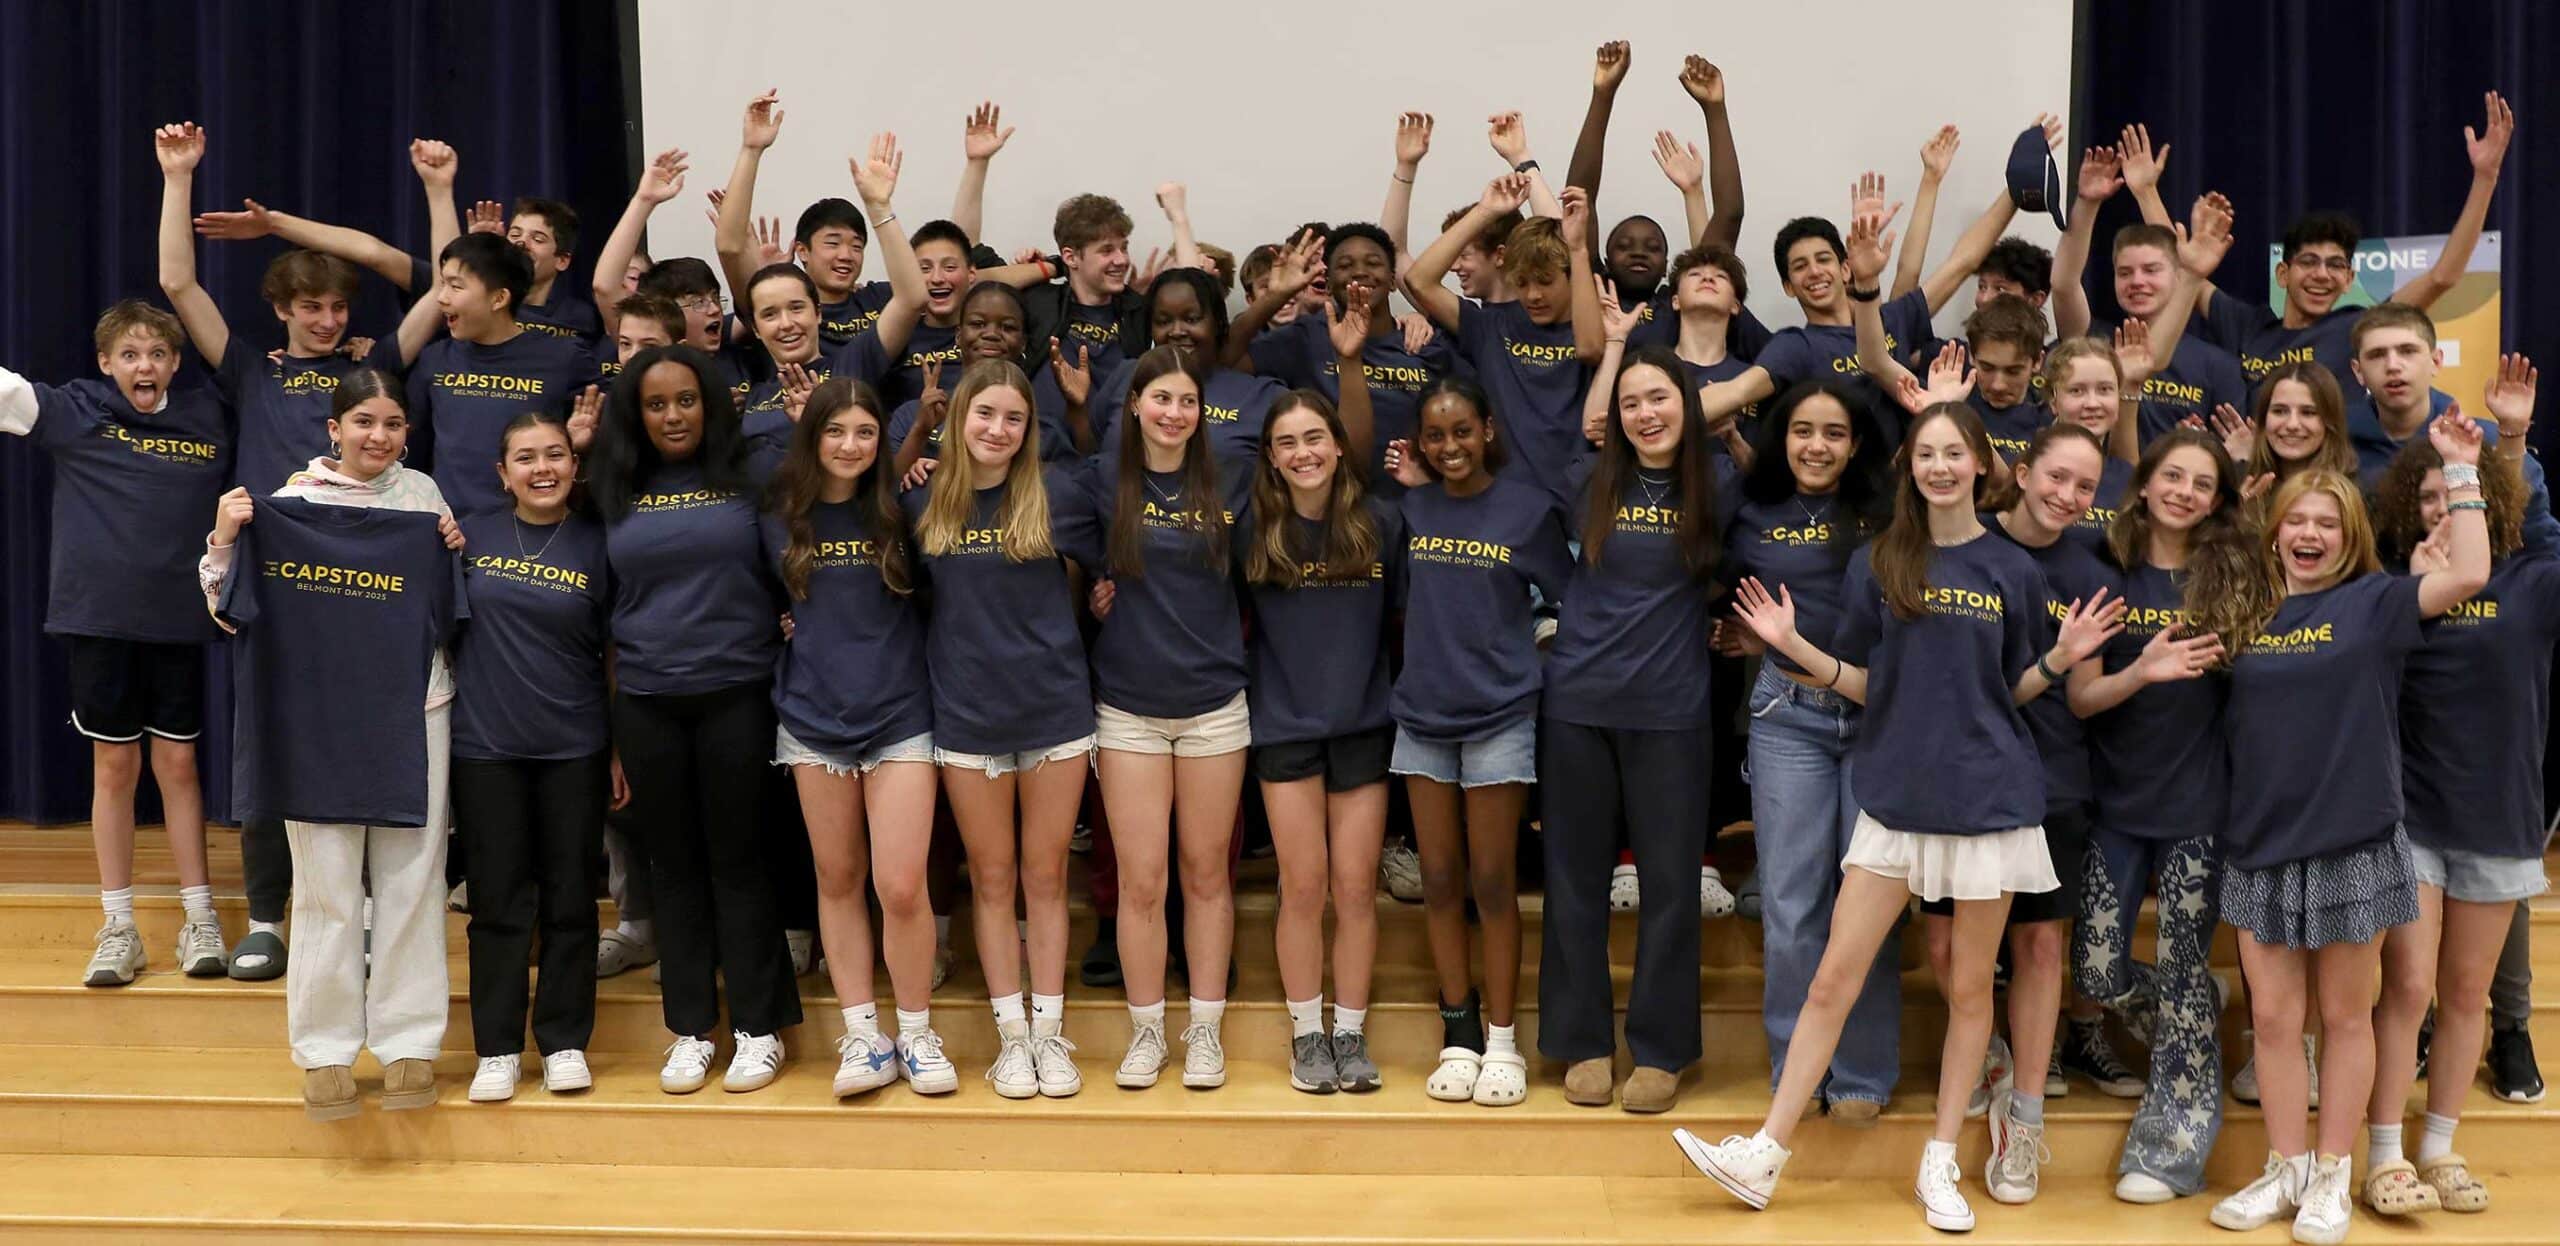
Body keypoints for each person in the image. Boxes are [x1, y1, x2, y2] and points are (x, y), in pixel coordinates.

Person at [1684, 401, 2119, 1233]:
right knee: (1831, 978)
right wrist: (1792, 644)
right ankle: (1765, 1152)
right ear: (1910, 469)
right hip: (1896, 798)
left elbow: (2014, 688)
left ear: (1983, 465)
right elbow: (1864, 681)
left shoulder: (2012, 571)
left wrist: (2059, 660)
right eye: (1928, 454)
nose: (1942, 466)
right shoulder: (1881, 561)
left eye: (1956, 453)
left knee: (1966, 992)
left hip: (1990, 801)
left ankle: (1942, 1163)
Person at [160, 124, 453, 979]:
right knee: (272, 745)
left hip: (370, 590)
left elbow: (441, 294)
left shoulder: (373, 375)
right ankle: (267, 920)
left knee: (366, 745)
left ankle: (360, 914)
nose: (328, 321)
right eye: (311, 308)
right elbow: (178, 281)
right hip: (279, 587)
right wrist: (179, 177)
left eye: (338, 309)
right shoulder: (251, 371)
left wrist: (439, 195)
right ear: (282, 310)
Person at [2205, 430, 2490, 1245]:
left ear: (2350, 535)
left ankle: (2334, 1173)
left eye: (2328, 522)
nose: (2311, 534)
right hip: (2261, 843)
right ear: (2275, 530)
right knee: (2273, 1024)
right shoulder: (2247, 611)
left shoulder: (2376, 603)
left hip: (2351, 840)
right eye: (2298, 520)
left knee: (2347, 1017)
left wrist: (2463, 470)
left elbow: (2469, 572)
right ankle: (2287, 1167)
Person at [196, 370, 467, 1120]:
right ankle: (324, 1051)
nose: (378, 436)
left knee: (415, 876)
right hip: (314, 717)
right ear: (333, 429)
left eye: (392, 423)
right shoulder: (289, 507)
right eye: (363, 422)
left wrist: (451, 546)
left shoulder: (424, 501)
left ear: (408, 432)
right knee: (326, 885)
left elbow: (451, 610)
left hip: (417, 709)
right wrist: (225, 537)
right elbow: (227, 613)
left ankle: (410, 1040)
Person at [586, 344, 801, 1096]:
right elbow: (606, 621)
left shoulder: (751, 478)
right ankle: (689, 1029)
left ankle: (758, 1026)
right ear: (634, 415)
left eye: (685, 400)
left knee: (740, 864)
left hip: (738, 692)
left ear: (710, 404)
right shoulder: (612, 487)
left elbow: (793, 578)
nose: (672, 416)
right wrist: (613, 726)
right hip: (646, 701)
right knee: (670, 868)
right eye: (655, 404)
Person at [1, 300, 231, 986]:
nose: (145, 366)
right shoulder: (77, 411)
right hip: (98, 621)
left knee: (181, 769)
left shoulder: (208, 416)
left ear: (175, 364)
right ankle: (119, 924)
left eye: (157, 354)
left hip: (178, 624)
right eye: (129, 355)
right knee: (114, 771)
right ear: (106, 365)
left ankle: (201, 918)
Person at [2364, 355, 2546, 1216]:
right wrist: (2410, 584)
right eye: (2429, 497)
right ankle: (2385, 1152)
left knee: (2467, 993)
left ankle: (2439, 1144)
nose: (2442, 508)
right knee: (2405, 987)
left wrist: (2511, 439)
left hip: (2500, 815)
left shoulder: (2534, 580)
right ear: (2410, 508)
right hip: (2411, 817)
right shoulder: (2390, 592)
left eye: (2457, 494)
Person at [903, 358, 1105, 1100]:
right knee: (989, 880)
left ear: (1029, 429)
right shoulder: (925, 500)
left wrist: (1109, 595)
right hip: (966, 714)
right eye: (984, 414)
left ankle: (1051, 1036)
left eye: (1013, 418)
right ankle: (1011, 1040)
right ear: (958, 419)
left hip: (1054, 709)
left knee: (1046, 878)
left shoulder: (1060, 494)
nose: (997, 429)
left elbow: (1124, 561)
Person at [1929, 422, 2119, 1205]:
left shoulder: (2089, 564)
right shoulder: (1962, 540)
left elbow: (2080, 693)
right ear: (2022, 469)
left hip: (2052, 781)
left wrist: (2079, 660)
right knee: (1944, 950)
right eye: (2057, 477)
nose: (2068, 496)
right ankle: (1994, 1057)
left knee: (2041, 949)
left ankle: (2028, 1118)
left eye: (2085, 486)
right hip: (1959, 779)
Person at [1539, 343, 1732, 1114]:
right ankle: (1583, 1042)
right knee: (1574, 883)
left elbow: (1746, 570)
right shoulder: (1586, 478)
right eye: (1631, 404)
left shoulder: (1719, 482)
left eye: (1660, 398)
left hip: (1673, 711)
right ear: (1613, 418)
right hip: (1578, 705)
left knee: (1671, 888)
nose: (1646, 414)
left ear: (1687, 403)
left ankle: (1659, 1050)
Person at [2069, 428, 2260, 1202]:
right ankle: (2194, 1009)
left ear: (2217, 501)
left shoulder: (2233, 578)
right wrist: (2143, 671)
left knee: (2183, 972)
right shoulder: (2102, 572)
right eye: (2171, 476)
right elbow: (2082, 697)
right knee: (2095, 965)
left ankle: (2171, 1147)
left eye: (2202, 483)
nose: (2183, 491)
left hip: (2199, 810)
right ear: (2143, 484)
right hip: (2114, 804)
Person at [1379, 376, 1573, 1107]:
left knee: (1493, 883)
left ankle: (1500, 1041)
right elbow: (1402, 607)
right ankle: (1456, 1032)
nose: (1450, 445)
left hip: (1499, 717)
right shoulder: (1413, 509)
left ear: (1488, 429)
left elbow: (1567, 601)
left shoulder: (1527, 511)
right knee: (1437, 881)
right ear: (1421, 444)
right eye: (1435, 435)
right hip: (1422, 719)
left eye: (1462, 431)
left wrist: (1534, 665)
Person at [762, 378, 954, 1097]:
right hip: (814, 720)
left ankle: (917, 1032)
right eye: (835, 431)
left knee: (900, 886)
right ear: (811, 437)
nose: (849, 445)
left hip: (902, 715)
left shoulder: (901, 510)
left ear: (881, 442)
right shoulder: (778, 517)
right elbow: (767, 605)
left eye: (864, 432)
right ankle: (863, 1037)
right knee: (837, 880)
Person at [1720, 380, 1897, 1120]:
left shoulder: (1885, 516)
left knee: (1866, 903)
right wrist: (1729, 634)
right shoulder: (1748, 512)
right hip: (1785, 715)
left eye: (1832, 433)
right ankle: (1797, 1066)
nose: (1816, 446)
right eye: (1801, 431)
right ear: (1779, 439)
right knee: (1792, 903)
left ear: (1855, 444)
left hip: (1877, 720)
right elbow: (1712, 591)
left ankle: (1858, 1072)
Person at [1087, 345, 1255, 1091]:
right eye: (1162, 398)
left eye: (1187, 401)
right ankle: (1148, 1030)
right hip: (1128, 709)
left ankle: (1206, 1031)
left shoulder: (1234, 478)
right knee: (1142, 880)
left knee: (1207, 875)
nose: (1175, 412)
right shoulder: (1100, 480)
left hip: (1215, 705)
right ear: (1134, 405)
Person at [1695, 123, 2055, 443]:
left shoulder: (1893, 318)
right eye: (1800, 267)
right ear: (1789, 287)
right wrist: (1655, 416)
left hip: (1900, 486)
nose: (1815, 272)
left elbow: (1962, 264)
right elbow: (1736, 391)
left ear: (1846, 269)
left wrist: (2016, 189)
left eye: (1823, 260)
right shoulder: (1795, 346)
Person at [1241, 355, 1395, 1094]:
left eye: (1314, 438)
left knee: (1357, 886)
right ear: (1271, 458)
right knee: (1304, 885)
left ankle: (1351, 1033)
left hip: (1364, 724)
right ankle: (1308, 1036)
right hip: (1285, 727)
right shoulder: (1255, 530)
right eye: (1286, 443)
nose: (1303, 453)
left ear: (1338, 444)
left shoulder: (1379, 524)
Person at [451, 413, 614, 1103]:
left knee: (572, 899)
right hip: (485, 747)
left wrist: (615, 747)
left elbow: (613, 657)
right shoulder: (467, 535)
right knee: (497, 903)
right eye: (525, 457)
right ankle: (496, 1048)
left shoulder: (600, 544)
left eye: (555, 454)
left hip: (573, 747)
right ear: (502, 471)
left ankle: (565, 1042)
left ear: (575, 466)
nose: (542, 468)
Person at [2189, 93, 2513, 390]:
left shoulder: (2357, 329)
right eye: (2308, 262)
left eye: (2335, 265)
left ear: (2349, 280)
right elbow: (2185, 271)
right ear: (2283, 274)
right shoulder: (2249, 327)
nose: (2322, 274)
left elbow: (2443, 276)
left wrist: (2486, 178)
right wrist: (2146, 193)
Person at [1404, 174, 1605, 505]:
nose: (1534, 295)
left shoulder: (1589, 330)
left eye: (1544, 281)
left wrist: (1579, 249)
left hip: (1579, 507)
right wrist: (1485, 212)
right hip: (1506, 508)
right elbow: (1419, 280)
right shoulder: (1490, 326)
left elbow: (1590, 348)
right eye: (1522, 282)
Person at [1231, 223, 1456, 497]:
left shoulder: (1424, 342)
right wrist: (1276, 297)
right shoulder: (1306, 337)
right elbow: (1226, 358)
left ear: (1393, 278)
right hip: (1332, 507)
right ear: (1327, 281)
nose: (1360, 272)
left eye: (1374, 263)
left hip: (1414, 505)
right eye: (1345, 265)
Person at [2050, 137, 2247, 444]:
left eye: (2151, 270)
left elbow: (2231, 450)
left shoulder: (2218, 365)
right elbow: (2063, 285)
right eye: (2125, 273)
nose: (2137, 281)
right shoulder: (2094, 341)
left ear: (2177, 276)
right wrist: (2086, 203)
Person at [409, 232, 602, 516]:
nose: (442, 298)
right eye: (443, 284)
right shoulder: (434, 359)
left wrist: (578, 445)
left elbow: (602, 436)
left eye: (455, 286)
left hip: (530, 531)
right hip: (447, 531)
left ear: (499, 298)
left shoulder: (565, 358)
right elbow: (412, 447)